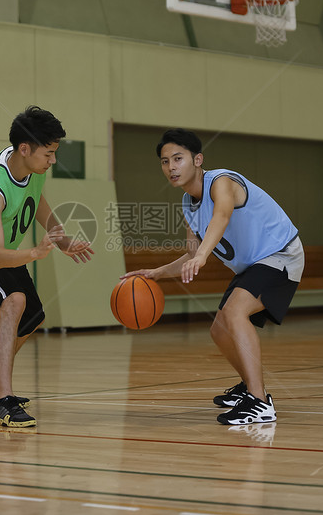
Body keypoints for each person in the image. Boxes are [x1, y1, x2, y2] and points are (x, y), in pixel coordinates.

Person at [123, 128, 304, 425]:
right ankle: (249, 386)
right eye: (165, 162)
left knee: (235, 313)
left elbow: (222, 216)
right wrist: (156, 274)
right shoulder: (187, 204)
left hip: (281, 255)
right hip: (256, 266)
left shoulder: (221, 181)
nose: (171, 167)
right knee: (219, 330)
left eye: (178, 158)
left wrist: (203, 255)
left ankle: (260, 402)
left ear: (198, 159)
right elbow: (191, 254)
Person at [0, 105, 94, 428]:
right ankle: (3, 401)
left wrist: (62, 239)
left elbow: (37, 200)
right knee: (13, 301)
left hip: (0, 250)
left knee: (32, 316)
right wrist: (35, 252)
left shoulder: (29, 167)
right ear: (25, 149)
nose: (53, 160)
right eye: (49, 153)